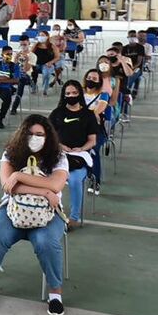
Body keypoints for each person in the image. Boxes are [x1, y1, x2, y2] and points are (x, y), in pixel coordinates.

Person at [0, 115, 69, 315]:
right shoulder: (10, 153)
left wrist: (18, 176)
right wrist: (43, 191)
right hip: (13, 210)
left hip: (48, 213)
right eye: (30, 134)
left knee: (46, 242)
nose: (34, 138)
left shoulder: (59, 157)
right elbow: (7, 186)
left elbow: (56, 185)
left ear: (48, 137)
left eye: (39, 134)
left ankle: (55, 293)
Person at [48, 81, 96, 229]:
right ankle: (49, 212)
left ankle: (74, 218)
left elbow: (92, 140)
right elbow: (49, 135)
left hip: (78, 158)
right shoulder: (57, 113)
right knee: (46, 178)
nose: (71, 96)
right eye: (67, 93)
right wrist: (60, 146)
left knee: (75, 181)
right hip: (59, 156)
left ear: (80, 94)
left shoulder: (88, 115)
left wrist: (80, 149)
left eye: (74, 93)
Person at [82, 69, 109, 192]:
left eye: (94, 79)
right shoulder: (78, 92)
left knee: (93, 150)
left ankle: (95, 179)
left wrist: (84, 114)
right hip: (79, 128)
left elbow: (100, 108)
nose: (90, 80)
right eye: (89, 78)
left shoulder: (103, 95)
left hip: (96, 130)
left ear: (99, 82)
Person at [121, 29, 146, 99]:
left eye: (134, 36)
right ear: (128, 37)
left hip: (137, 68)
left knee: (132, 75)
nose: (133, 37)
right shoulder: (124, 48)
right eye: (131, 36)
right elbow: (123, 59)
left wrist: (132, 68)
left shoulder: (140, 48)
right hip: (127, 67)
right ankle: (131, 90)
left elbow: (139, 62)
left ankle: (127, 89)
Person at [31, 29, 58, 94]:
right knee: (33, 72)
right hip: (37, 63)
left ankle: (45, 88)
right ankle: (34, 85)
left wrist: (51, 62)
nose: (41, 37)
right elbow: (31, 54)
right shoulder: (36, 45)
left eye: (42, 35)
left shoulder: (52, 46)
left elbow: (57, 57)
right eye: (40, 35)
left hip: (47, 64)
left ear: (47, 37)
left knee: (46, 74)